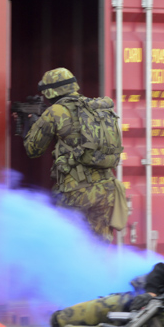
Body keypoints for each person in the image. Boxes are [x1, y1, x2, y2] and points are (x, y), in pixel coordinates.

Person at [22, 67, 128, 242]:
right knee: (99, 246)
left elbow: (33, 149)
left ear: (50, 91)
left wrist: (31, 124)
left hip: (76, 192)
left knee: (68, 245)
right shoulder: (96, 108)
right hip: (106, 190)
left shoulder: (55, 111)